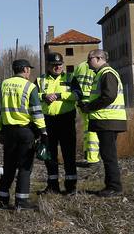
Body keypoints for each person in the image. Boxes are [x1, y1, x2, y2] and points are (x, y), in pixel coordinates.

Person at [0, 59, 45, 210]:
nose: (29, 72)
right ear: (24, 69)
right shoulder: (29, 87)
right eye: (29, 69)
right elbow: (36, 111)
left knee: (8, 167)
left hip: (8, 131)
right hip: (25, 131)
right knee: (24, 167)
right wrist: (43, 132)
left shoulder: (1, 85)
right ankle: (21, 202)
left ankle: (2, 201)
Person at [79, 50, 127, 196]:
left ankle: (114, 187)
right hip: (107, 120)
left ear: (99, 58)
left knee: (108, 155)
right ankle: (111, 186)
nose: (87, 62)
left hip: (108, 120)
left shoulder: (107, 73)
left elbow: (109, 96)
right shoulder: (103, 73)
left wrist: (89, 107)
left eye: (90, 59)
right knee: (108, 154)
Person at [39, 54, 79, 194]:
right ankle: (52, 185)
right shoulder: (40, 80)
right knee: (50, 155)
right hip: (48, 120)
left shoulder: (70, 78)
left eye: (60, 64)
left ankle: (71, 186)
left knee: (69, 153)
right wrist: (44, 96)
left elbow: (77, 95)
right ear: (48, 65)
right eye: (54, 65)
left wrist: (59, 95)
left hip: (66, 120)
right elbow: (32, 96)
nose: (58, 67)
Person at [70, 56, 100, 166]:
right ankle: (92, 157)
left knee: (87, 128)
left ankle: (87, 153)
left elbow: (73, 83)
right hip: (91, 101)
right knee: (92, 129)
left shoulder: (79, 67)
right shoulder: (96, 68)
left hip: (80, 102)